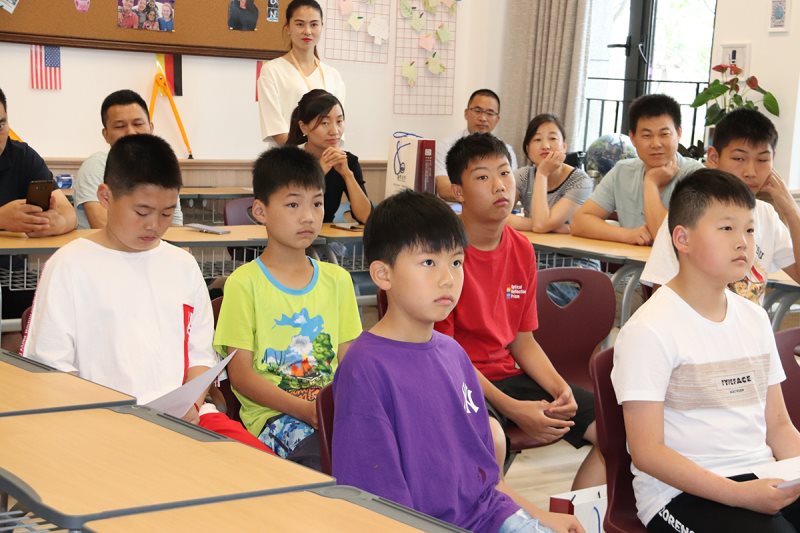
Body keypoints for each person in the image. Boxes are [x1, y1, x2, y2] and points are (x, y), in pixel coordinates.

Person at [333, 190, 584, 533]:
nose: (447, 279)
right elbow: (375, 507)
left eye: (455, 262)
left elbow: (487, 483)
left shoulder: (453, 354)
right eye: (428, 263)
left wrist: (539, 516)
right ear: (383, 274)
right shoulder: (365, 369)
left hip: (490, 518)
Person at [21, 134, 270, 454]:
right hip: (98, 430)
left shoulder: (182, 265)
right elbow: (51, 374)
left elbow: (200, 357)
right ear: (105, 196)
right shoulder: (69, 266)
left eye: (166, 213)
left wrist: (192, 404)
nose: (154, 225)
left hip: (186, 420)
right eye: (142, 212)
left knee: (275, 474)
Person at [612, 168, 800, 532]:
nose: (743, 242)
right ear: (682, 238)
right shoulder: (648, 329)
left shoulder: (755, 319)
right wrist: (740, 495)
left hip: (760, 476)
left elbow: (779, 426)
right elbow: (647, 452)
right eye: (727, 228)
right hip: (678, 496)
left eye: (749, 230)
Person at [435, 133, 604, 490]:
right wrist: (512, 408)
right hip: (457, 380)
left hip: (507, 376)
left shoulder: (522, 249)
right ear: (458, 192)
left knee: (614, 430)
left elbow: (522, 341)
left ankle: (573, 516)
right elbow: (445, 355)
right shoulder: (443, 253)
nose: (499, 186)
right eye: (482, 177)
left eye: (505, 173)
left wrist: (561, 389)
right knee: (493, 439)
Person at [214, 146, 361, 468]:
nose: (308, 216)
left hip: (332, 410)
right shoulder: (244, 283)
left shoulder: (338, 280)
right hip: (275, 417)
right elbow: (241, 375)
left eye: (317, 203)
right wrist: (306, 410)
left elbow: (350, 361)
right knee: (328, 461)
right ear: (260, 211)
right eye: (293, 204)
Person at [641, 108, 800, 304]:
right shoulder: (691, 211)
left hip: (746, 323)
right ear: (714, 157)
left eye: (762, 160)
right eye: (739, 158)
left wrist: (792, 211)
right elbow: (661, 294)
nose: (751, 171)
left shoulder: (766, 214)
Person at [571, 94, 704, 245]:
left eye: (664, 134)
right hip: (631, 261)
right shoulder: (622, 171)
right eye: (647, 135)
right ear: (633, 138)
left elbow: (668, 239)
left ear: (679, 133)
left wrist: (651, 183)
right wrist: (628, 235)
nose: (656, 144)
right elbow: (579, 222)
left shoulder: (696, 176)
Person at [507, 113, 600, 306]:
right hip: (534, 264)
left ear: (564, 146)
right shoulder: (522, 176)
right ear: (527, 148)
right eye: (537, 139)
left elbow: (541, 225)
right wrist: (548, 226)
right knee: (506, 291)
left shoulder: (580, 180)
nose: (545, 145)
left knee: (522, 295)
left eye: (552, 138)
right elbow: (499, 217)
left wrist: (542, 174)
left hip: (575, 269)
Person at [0, 87, 77, 319]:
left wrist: (53, 222)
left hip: (10, 275)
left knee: (49, 304)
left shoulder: (22, 157)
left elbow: (68, 213)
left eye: (0, 125)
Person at [74, 89, 182, 229]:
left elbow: (175, 229)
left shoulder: (162, 168)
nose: (130, 132)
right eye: (120, 126)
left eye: (138, 124)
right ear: (106, 134)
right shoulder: (96, 166)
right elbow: (103, 226)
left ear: (150, 128)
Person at [257, 0, 346, 146]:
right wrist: (307, 157)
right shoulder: (272, 71)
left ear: (321, 27)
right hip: (287, 157)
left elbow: (338, 128)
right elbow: (275, 129)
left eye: (314, 24)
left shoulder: (333, 75)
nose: (307, 31)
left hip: (325, 157)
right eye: (300, 24)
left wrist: (329, 157)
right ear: (288, 28)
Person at [286, 89, 371, 224]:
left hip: (326, 235)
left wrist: (347, 174)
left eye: (339, 121)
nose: (335, 131)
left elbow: (366, 217)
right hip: (291, 233)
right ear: (303, 127)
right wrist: (319, 173)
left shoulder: (347, 161)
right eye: (324, 123)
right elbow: (289, 211)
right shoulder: (287, 159)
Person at [435, 89, 518, 202]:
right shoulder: (446, 146)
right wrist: (485, 196)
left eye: (490, 113)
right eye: (477, 111)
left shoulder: (506, 150)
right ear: (466, 113)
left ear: (497, 119)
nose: (483, 118)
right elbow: (443, 188)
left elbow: (511, 188)